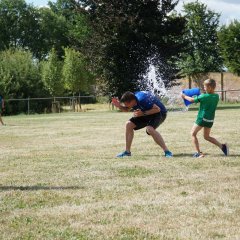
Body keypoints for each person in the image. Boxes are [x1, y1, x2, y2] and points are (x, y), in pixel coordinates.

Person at [112, 91, 173, 158]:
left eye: (126, 104)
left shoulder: (142, 100)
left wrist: (143, 113)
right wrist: (119, 106)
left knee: (149, 129)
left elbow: (157, 109)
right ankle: (127, 152)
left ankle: (167, 151)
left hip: (160, 113)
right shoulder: (133, 99)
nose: (126, 106)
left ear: (132, 101)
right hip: (146, 112)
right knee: (128, 124)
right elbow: (127, 109)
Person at [181, 79, 228, 158]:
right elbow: (205, 99)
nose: (204, 88)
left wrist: (184, 96)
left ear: (209, 87)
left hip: (202, 118)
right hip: (210, 120)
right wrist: (198, 96)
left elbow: (192, 100)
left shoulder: (203, 96)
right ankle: (223, 147)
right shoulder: (216, 96)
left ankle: (198, 153)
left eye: (205, 87)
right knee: (206, 137)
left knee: (193, 134)